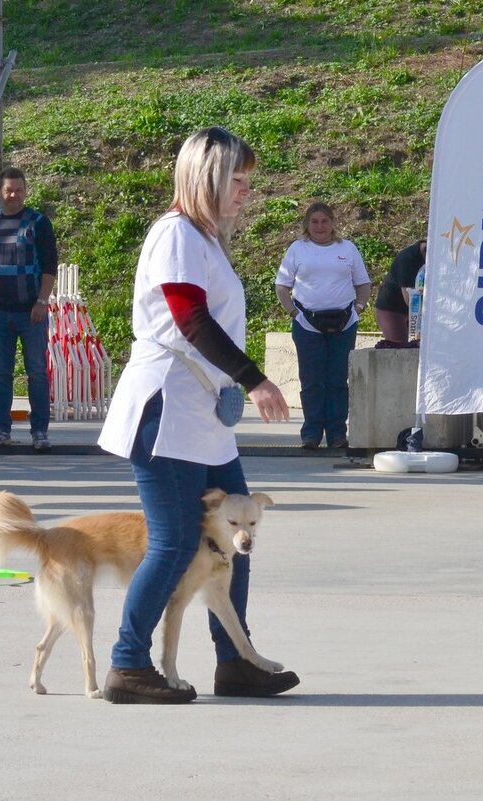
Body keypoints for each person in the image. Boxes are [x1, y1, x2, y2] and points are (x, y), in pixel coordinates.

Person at [96, 126, 298, 704]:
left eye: (248, 181)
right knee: (174, 543)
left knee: (238, 532)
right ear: (205, 177)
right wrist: (254, 379)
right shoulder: (176, 234)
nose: (245, 192)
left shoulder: (204, 240)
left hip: (201, 416)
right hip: (168, 408)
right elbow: (189, 320)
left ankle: (236, 659)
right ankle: (128, 665)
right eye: (236, 180)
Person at [275, 202, 371, 449]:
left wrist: (358, 308)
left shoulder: (347, 248)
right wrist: (294, 312)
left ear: (333, 223)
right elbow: (282, 285)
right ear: (307, 224)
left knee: (338, 379)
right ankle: (311, 433)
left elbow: (363, 283)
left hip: (344, 321)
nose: (320, 226)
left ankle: (337, 433)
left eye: (325, 221)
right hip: (307, 323)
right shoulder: (298, 249)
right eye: (314, 222)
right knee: (312, 380)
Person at [0, 167, 58, 452]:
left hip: (31, 311)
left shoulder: (38, 223)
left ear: (26, 191)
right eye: (9, 190)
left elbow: (49, 266)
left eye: (19, 190)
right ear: (0, 192)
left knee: (36, 371)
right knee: (1, 372)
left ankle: (39, 431)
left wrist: (41, 301)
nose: (14, 195)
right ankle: (1, 429)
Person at [374, 239, 425, 345]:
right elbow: (409, 300)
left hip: (413, 307)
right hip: (391, 308)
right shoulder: (407, 259)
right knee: (400, 347)